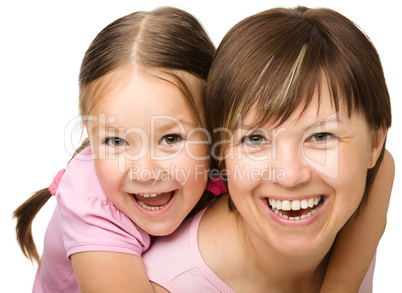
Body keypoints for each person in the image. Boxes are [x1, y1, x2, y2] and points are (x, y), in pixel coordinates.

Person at [143, 6, 394, 292]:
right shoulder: (171, 284)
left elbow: (385, 165)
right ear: (220, 153)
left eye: (322, 135)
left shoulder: (361, 200)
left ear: (374, 142)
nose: (289, 175)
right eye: (254, 139)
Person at [13, 7, 220, 293]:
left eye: (171, 139)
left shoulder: (229, 168)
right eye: (116, 141)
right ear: (90, 133)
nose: (145, 171)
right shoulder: (90, 206)